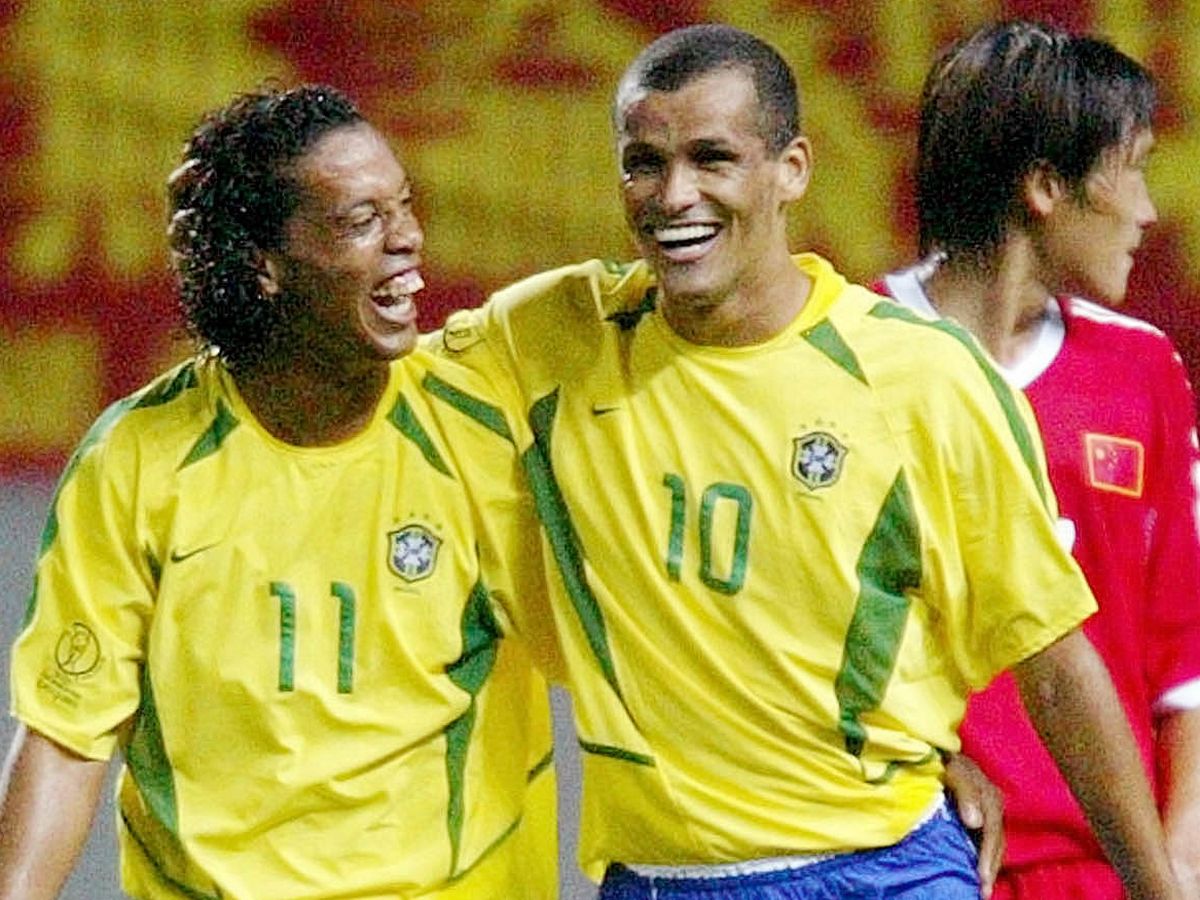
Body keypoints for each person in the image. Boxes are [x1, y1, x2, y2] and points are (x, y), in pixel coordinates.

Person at [432, 23, 1185, 899]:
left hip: (886, 871)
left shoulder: (918, 375)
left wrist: (1160, 891)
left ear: (791, 169)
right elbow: (366, 380)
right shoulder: (552, 337)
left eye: (713, 159)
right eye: (644, 162)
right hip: (659, 877)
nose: (674, 194)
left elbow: (1055, 665)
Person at [0, 84, 557, 899]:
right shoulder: (139, 461)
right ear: (264, 264)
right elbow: (67, 734)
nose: (407, 240)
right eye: (361, 221)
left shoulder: (481, 426)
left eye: (404, 206)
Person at [875, 20, 1200, 899]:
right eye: (1131, 169)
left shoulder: (1142, 371)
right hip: (914, 858)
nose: (1147, 208)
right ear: (1046, 186)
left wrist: (1175, 866)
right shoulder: (851, 357)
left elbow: (1186, 664)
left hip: (1112, 873)